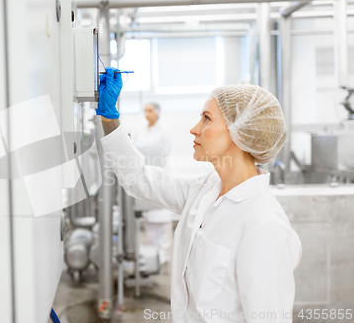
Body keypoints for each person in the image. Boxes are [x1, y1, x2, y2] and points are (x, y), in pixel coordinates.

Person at [96, 67, 302, 323]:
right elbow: (139, 178)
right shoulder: (206, 189)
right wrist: (110, 118)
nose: (194, 129)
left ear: (240, 131)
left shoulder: (263, 224)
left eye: (206, 118)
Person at [132, 102, 175, 265]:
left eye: (150, 110)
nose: (146, 114)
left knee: (162, 215)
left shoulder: (164, 130)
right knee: (148, 214)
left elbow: (165, 152)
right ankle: (152, 248)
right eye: (145, 110)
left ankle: (163, 251)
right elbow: (135, 151)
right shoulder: (140, 131)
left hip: (161, 175)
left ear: (157, 112)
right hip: (145, 176)